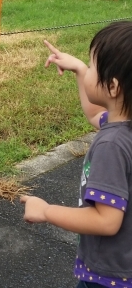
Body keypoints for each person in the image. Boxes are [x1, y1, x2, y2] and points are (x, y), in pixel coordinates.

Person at [21, 21, 132, 288]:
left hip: (109, 276)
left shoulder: (112, 145)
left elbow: (106, 221)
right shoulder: (123, 126)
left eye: (93, 66)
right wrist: (81, 70)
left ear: (113, 87)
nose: (89, 70)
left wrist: (47, 211)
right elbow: (95, 114)